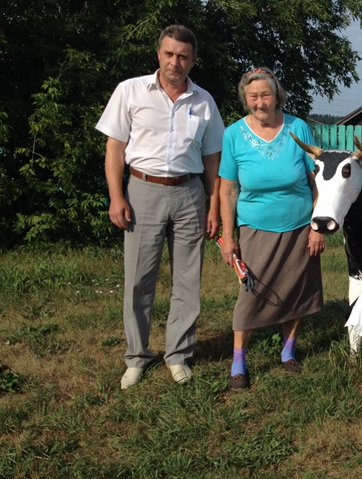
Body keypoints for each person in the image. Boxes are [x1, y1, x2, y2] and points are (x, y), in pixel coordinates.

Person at [96, 24, 224, 390]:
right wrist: (116, 196)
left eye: (183, 56)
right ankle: (137, 357)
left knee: (188, 280)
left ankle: (178, 355)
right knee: (138, 280)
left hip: (189, 194)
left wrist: (213, 206)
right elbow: (114, 149)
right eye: (169, 54)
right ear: (158, 54)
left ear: (193, 60)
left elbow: (213, 157)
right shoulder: (131, 91)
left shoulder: (204, 101)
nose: (175, 62)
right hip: (142, 191)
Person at [218, 67, 325, 391]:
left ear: (277, 96)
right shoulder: (234, 134)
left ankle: (288, 351)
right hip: (255, 226)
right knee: (251, 294)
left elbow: (317, 181)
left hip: (299, 225)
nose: (260, 102)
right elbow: (227, 189)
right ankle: (239, 362)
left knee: (296, 289)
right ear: (245, 99)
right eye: (253, 96)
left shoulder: (298, 128)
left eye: (266, 94)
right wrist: (228, 236)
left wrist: (317, 227)